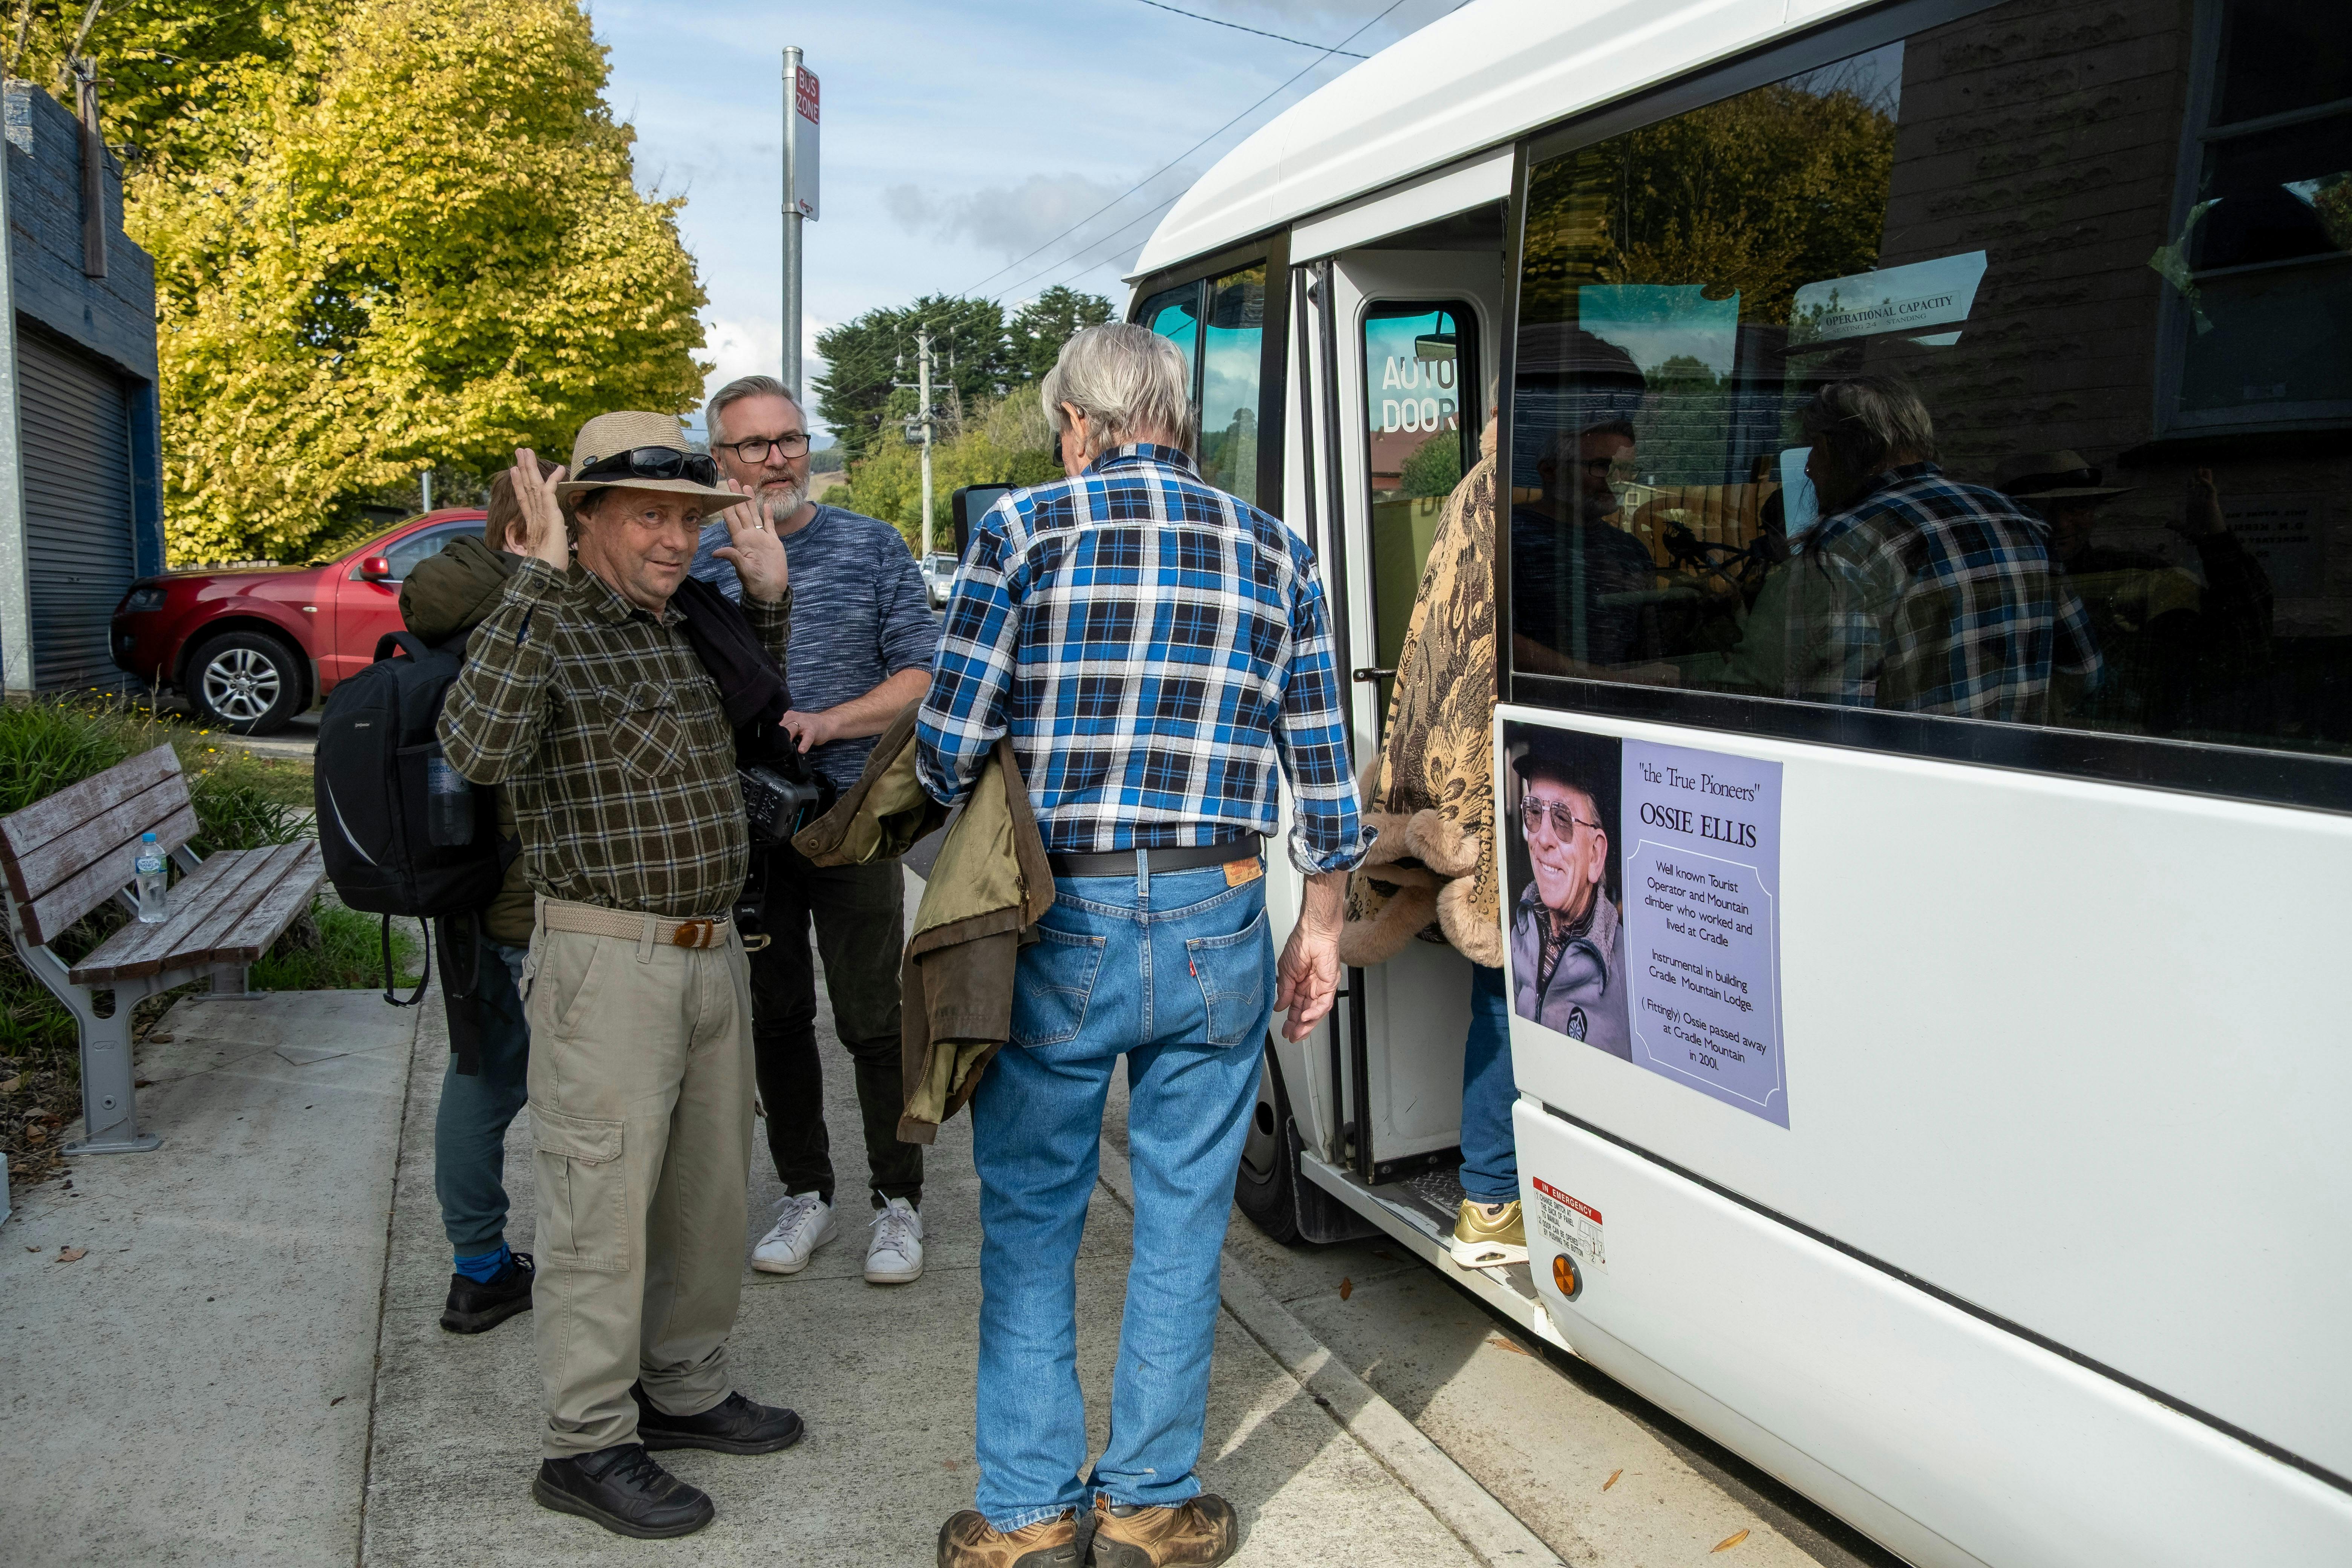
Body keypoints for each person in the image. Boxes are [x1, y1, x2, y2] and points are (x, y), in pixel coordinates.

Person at [916, 324, 1368, 1568]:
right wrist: (1321, 931)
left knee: (1033, 1221)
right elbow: (1326, 785)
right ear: (1175, 415)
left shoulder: (1020, 532)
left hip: (1062, 922)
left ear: (1080, 422)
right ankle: (1151, 1503)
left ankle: (1025, 1520)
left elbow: (946, 752)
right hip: (1220, 915)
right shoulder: (1280, 552)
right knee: (1182, 1217)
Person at [439, 411, 802, 1540]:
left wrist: (767, 604)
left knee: (703, 1195)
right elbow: (476, 749)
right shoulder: (545, 620)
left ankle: (681, 1390)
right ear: (583, 514)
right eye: (649, 515)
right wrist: (536, 583)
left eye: (688, 518)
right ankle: (586, 1441)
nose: (675, 539)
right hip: (607, 961)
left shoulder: (671, 621)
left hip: (705, 953)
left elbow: (753, 731)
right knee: (600, 1208)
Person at [687, 374, 938, 1285]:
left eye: (789, 439)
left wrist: (829, 723)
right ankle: (807, 1191)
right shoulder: (697, 564)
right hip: (744, 827)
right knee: (777, 1015)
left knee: (874, 1015)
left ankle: (896, 1200)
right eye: (751, 446)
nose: (775, 460)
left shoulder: (872, 546)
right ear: (719, 462)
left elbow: (921, 675)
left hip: (852, 813)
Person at [400, 463, 548, 1335]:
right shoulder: (526, 607)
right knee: (530, 1088)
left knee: (480, 1077)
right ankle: (507, 1268)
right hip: (527, 903)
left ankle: (479, 1267)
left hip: (468, 888)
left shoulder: (453, 599)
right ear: (526, 529)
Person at [1782, 378, 2102, 721]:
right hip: (2013, 768)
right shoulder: (2020, 520)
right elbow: (2084, 670)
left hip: (1912, 769)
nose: (1808, 469)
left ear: (1830, 447)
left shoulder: (1845, 543)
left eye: (1812, 450)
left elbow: (1827, 716)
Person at [1998, 453, 2271, 737]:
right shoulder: (1988, 587)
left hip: (2126, 753)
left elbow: (2244, 649)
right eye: (2039, 511)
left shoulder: (2133, 573)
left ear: (2093, 512)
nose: (2062, 524)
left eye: (2077, 508)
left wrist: (2215, 540)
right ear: (2008, 519)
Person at [1507, 739, 1631, 1065]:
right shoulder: (1516, 931)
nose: (1543, 838)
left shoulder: (1630, 978)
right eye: (1534, 812)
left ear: (1595, 854)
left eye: (1562, 820)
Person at [1509, 418, 1661, 675]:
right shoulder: (1506, 537)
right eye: (1602, 466)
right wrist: (1610, 681)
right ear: (1550, 470)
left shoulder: (1633, 552)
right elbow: (1490, 641)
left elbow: (1650, 653)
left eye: (1626, 469)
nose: (1618, 480)